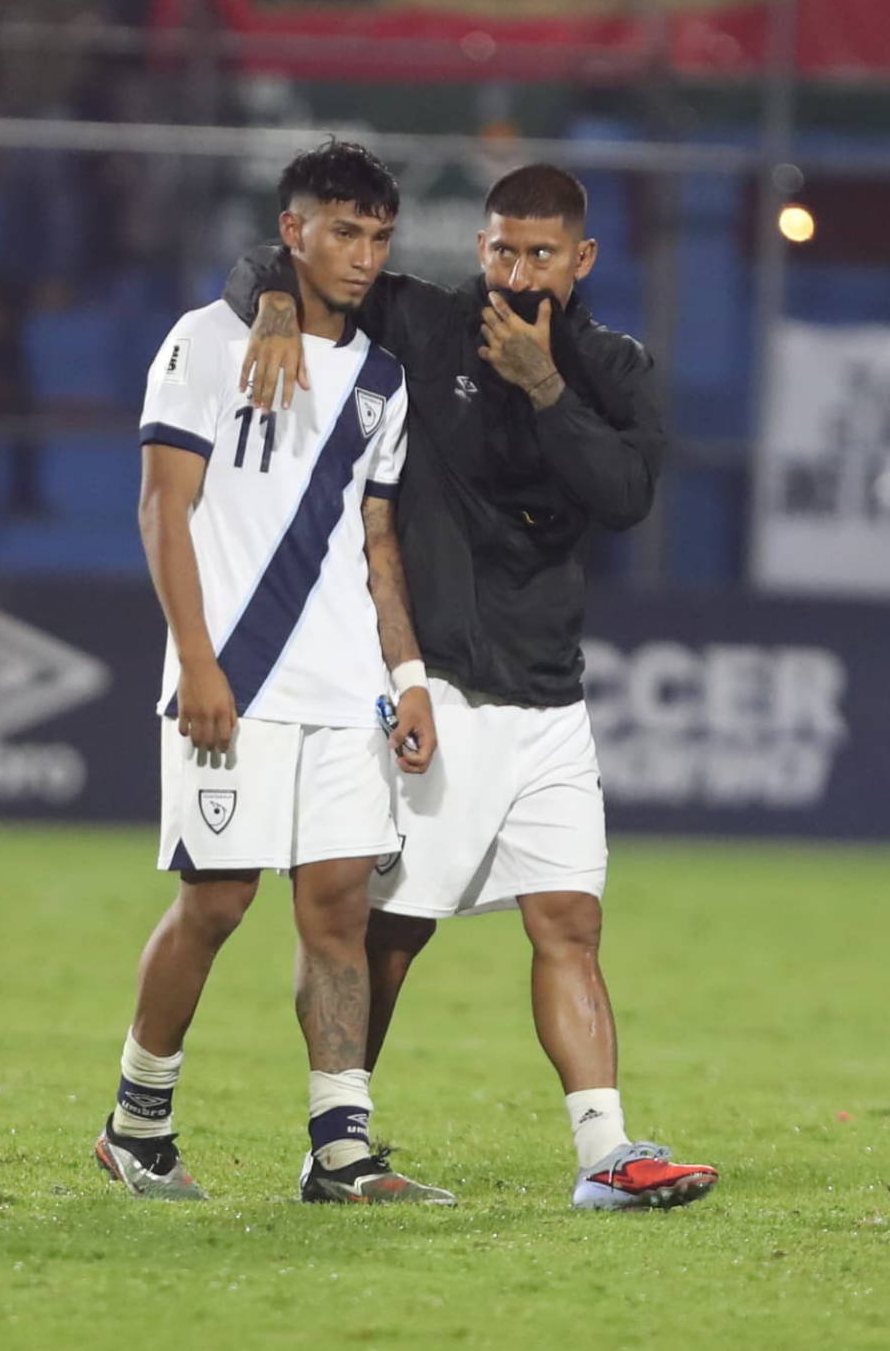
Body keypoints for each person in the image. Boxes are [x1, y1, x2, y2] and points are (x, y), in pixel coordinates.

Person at [226, 163, 718, 1210]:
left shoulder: (608, 367)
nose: (513, 269)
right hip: (440, 692)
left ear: (581, 260)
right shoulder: (426, 324)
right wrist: (273, 308)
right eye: (499, 248)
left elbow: (623, 495)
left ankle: (602, 1156)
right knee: (392, 932)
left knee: (568, 928)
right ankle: (337, 1144)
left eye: (539, 253)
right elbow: (283, 259)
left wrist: (543, 386)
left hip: (549, 699)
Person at [96, 141, 454, 1207]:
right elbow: (162, 509)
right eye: (341, 230)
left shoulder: (382, 379)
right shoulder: (203, 342)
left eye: (377, 236)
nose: (361, 254)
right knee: (215, 900)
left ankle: (341, 1147)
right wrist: (196, 662)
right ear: (289, 231)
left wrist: (410, 673)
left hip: (345, 686)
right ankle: (136, 1123)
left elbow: (375, 540)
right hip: (233, 680)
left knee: (338, 909)